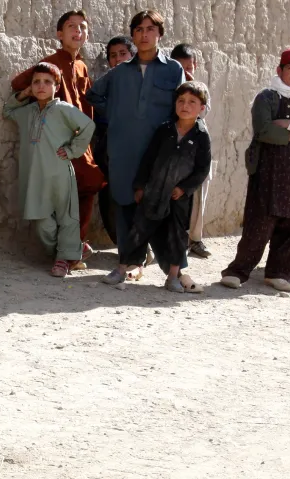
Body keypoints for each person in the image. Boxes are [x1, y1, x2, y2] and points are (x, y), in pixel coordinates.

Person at [89, 9, 186, 286]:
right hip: (124, 149)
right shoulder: (120, 72)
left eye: (150, 29)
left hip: (159, 151)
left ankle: (174, 273)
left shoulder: (173, 69)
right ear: (133, 35)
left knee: (164, 210)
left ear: (160, 34)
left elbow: (182, 104)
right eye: (139, 30)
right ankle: (124, 265)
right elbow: (94, 95)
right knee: (125, 206)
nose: (144, 35)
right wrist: (118, 115)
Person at [220, 47, 290, 293]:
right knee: (260, 223)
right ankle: (238, 271)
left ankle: (278, 272)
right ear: (280, 69)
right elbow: (265, 131)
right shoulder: (267, 96)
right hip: (269, 168)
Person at [10, 10, 106, 265]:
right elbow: (18, 82)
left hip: (79, 143)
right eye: (71, 27)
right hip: (56, 141)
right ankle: (68, 251)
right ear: (59, 34)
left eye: (82, 27)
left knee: (88, 187)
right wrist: (36, 88)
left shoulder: (82, 65)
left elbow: (86, 106)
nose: (78, 31)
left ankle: (72, 251)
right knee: (59, 204)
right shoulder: (53, 61)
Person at [4, 62, 96, 277]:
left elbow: (88, 126)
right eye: (36, 82)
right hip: (35, 177)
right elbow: (7, 111)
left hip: (59, 173)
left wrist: (73, 150)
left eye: (47, 82)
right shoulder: (27, 112)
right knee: (42, 223)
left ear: (57, 86)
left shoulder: (63, 109)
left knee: (66, 218)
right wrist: (24, 93)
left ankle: (63, 259)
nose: (41, 86)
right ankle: (75, 250)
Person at [118, 81, 212, 293]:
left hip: (178, 198)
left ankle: (172, 277)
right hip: (154, 192)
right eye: (181, 101)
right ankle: (121, 269)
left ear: (202, 108)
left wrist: (184, 189)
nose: (185, 106)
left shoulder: (201, 136)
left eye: (192, 102)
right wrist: (140, 186)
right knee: (138, 231)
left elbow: (202, 170)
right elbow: (148, 160)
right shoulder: (165, 129)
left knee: (177, 236)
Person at [169, 42, 211, 259]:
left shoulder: (200, 89)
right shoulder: (173, 89)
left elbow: (202, 116)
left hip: (198, 149)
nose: (185, 72)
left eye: (189, 67)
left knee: (198, 195)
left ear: (194, 65)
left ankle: (195, 239)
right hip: (176, 151)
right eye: (180, 67)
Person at [92, 35, 135, 245]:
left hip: (139, 153)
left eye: (123, 54)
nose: (118, 59)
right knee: (110, 197)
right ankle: (122, 244)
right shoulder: (105, 85)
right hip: (110, 151)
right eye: (113, 56)